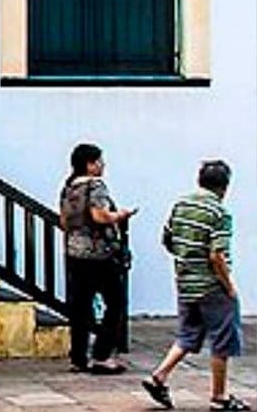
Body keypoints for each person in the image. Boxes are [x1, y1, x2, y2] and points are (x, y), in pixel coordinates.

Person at [141, 160, 249, 411]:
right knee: (223, 341)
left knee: (188, 335)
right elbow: (216, 255)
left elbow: (167, 238)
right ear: (225, 186)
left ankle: (158, 377)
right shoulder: (220, 213)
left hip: (185, 282)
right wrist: (229, 286)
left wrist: (186, 258)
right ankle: (219, 398)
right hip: (212, 286)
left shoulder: (181, 204)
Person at [59, 143, 137, 374]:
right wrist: (120, 215)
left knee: (81, 307)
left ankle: (78, 357)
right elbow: (99, 215)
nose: (103, 165)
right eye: (99, 161)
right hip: (98, 254)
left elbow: (64, 221)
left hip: (74, 252)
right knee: (116, 302)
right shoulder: (96, 186)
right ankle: (102, 355)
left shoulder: (68, 188)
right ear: (90, 164)